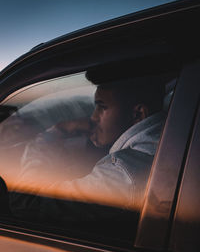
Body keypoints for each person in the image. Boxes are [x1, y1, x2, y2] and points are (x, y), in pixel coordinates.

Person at [9, 61, 166, 224]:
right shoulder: (162, 145)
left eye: (101, 107)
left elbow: (25, 203)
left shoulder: (124, 173)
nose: (93, 117)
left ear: (138, 114)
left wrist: (55, 133)